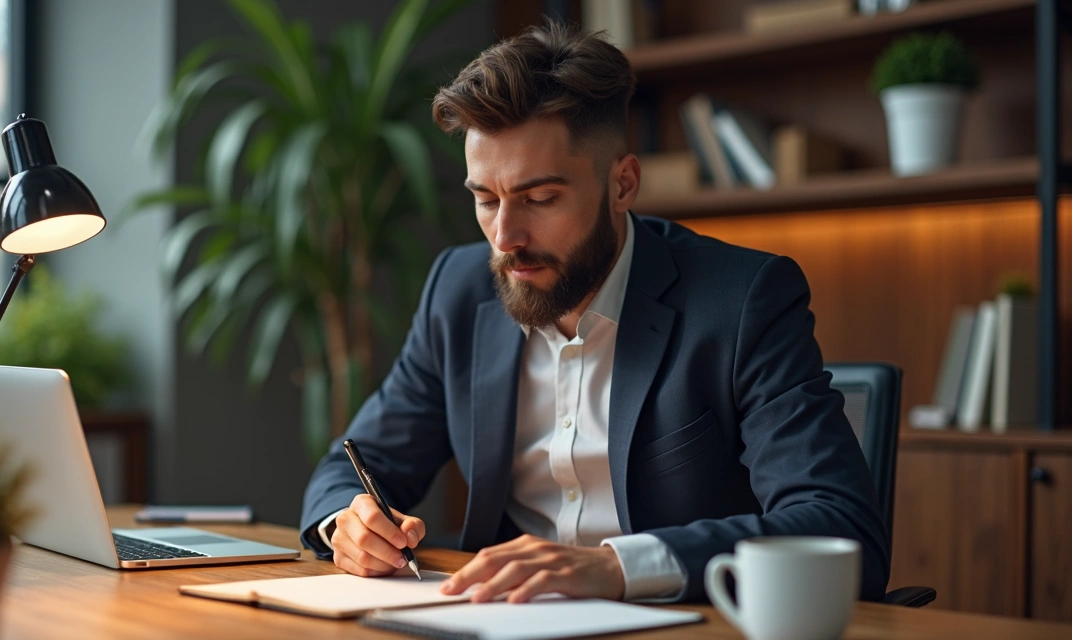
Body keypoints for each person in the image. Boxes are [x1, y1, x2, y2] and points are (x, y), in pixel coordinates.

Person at [299, 21, 889, 603]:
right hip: (501, 619)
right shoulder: (458, 290)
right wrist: (347, 524)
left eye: (540, 198)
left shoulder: (742, 300)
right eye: (485, 199)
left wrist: (617, 567)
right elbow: (355, 466)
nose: (505, 237)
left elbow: (840, 527)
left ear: (623, 184)